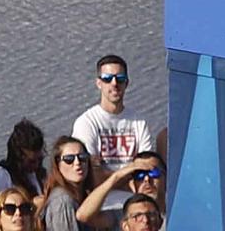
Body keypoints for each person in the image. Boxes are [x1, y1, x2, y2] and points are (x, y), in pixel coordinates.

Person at [68, 64, 154, 229]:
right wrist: (129, 173)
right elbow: (91, 175)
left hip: (135, 207)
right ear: (99, 83)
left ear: (127, 83)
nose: (114, 83)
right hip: (102, 207)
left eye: (120, 79)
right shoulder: (87, 122)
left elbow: (146, 169)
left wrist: (106, 173)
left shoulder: (139, 121)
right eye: (108, 79)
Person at [33, 150, 88, 231]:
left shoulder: (82, 194)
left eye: (82, 157)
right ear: (58, 165)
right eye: (69, 159)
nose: (77, 162)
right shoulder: (63, 201)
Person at [0, 132, 42, 209]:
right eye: (31, 161)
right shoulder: (1, 175)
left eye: (40, 159)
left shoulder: (35, 174)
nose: (36, 165)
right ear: (18, 157)